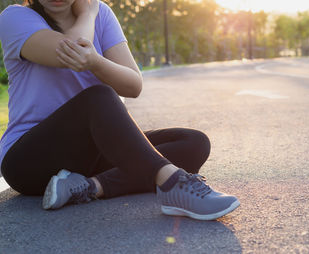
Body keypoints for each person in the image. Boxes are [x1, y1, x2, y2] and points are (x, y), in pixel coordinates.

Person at [0, 0, 239, 220]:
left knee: (193, 143)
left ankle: (89, 187)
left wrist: (96, 60)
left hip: (89, 155)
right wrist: (87, 13)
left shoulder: (101, 13)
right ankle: (172, 184)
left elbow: (133, 85)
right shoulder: (16, 17)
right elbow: (73, 53)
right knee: (99, 96)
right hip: (29, 160)